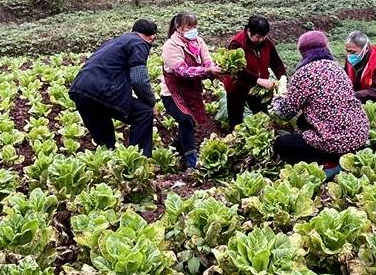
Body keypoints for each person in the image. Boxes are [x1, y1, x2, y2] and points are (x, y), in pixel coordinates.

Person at [271, 31, 370, 165]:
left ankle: (326, 161)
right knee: (302, 121)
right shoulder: (337, 69)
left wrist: (277, 99)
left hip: (337, 142)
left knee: (281, 144)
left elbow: (285, 113)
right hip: (359, 133)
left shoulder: (303, 74)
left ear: (303, 52)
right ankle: (341, 154)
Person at [69, 19, 159, 156]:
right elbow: (139, 80)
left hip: (80, 91)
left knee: (105, 143)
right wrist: (151, 103)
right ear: (153, 36)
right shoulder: (139, 43)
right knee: (144, 113)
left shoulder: (115, 42)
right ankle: (138, 159)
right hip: (104, 90)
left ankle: (107, 166)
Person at [161, 11, 222, 169]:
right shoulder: (170, 46)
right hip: (172, 94)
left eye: (195, 26)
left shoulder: (198, 42)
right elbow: (182, 71)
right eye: (189, 26)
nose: (193, 30)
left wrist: (212, 68)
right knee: (186, 120)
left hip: (191, 91)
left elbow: (207, 59)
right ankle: (191, 163)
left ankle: (179, 150)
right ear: (178, 27)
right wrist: (207, 71)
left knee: (189, 122)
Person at [223, 15, 287, 132]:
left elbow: (276, 63)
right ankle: (235, 144)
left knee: (263, 118)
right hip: (237, 88)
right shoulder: (237, 43)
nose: (261, 39)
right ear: (249, 31)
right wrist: (258, 79)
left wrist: (282, 78)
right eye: (258, 36)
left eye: (264, 36)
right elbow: (237, 70)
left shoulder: (267, 42)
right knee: (236, 121)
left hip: (257, 89)